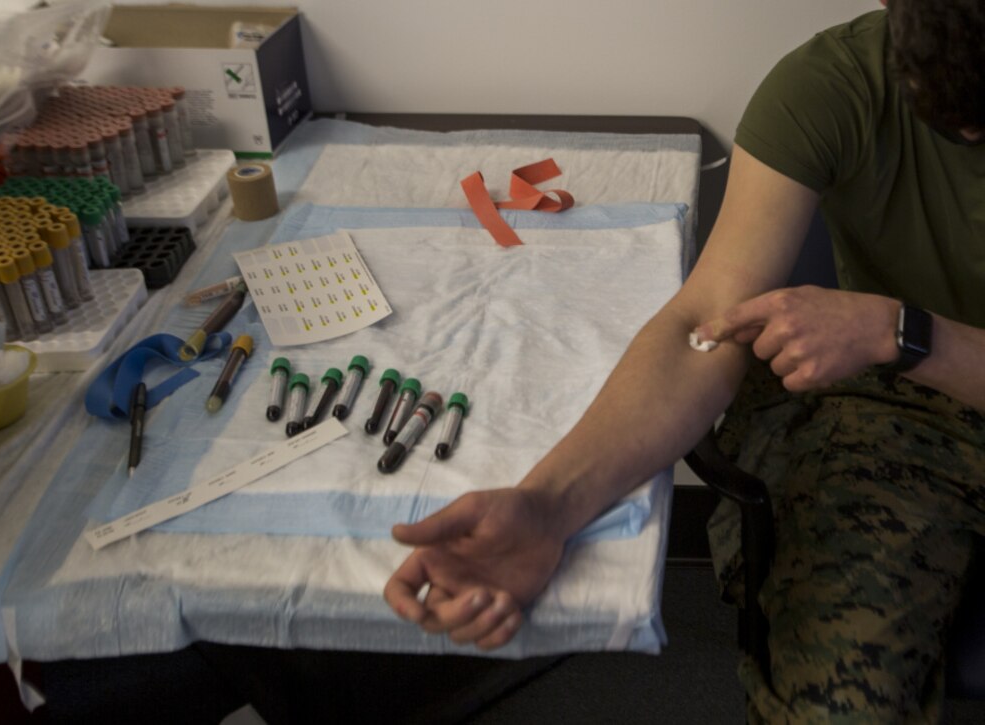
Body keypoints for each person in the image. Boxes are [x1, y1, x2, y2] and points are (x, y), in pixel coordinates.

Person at [383, 0, 985, 720]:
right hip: (901, 415)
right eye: (950, 121)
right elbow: (702, 329)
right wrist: (550, 504)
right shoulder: (837, 83)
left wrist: (910, 332)